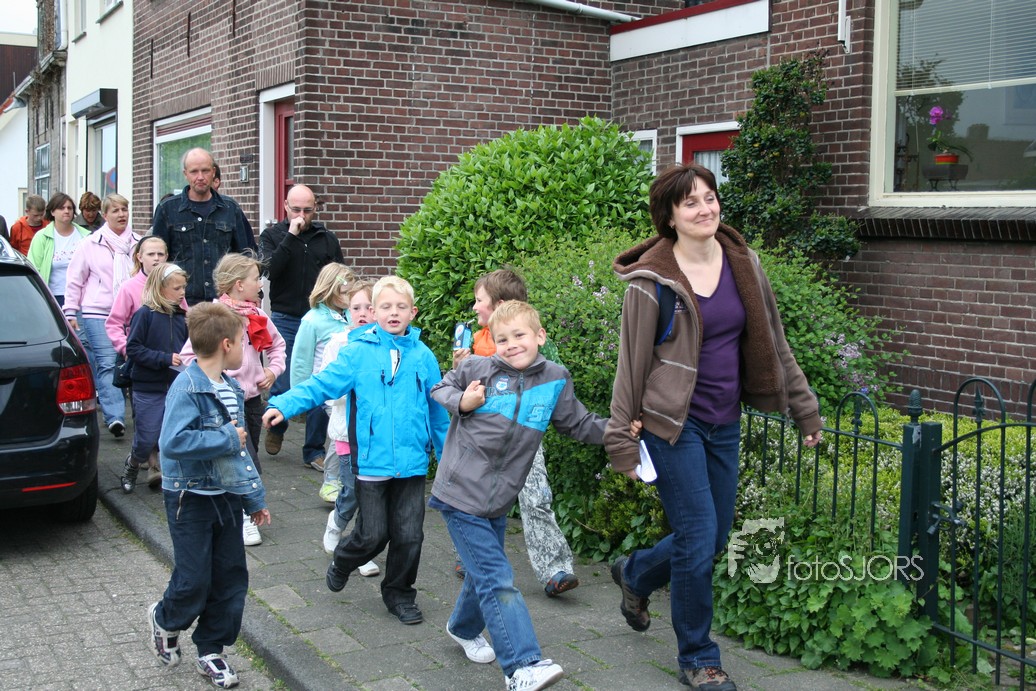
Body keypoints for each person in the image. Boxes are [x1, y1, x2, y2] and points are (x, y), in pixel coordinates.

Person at [604, 163, 823, 691]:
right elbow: (630, 365)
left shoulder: (743, 263)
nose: (705, 209)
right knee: (699, 537)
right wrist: (621, 442)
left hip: (726, 420)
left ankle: (635, 573)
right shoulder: (651, 282)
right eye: (691, 203)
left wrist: (804, 408)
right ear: (669, 217)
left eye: (710, 197)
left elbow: (774, 342)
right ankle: (698, 658)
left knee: (712, 535)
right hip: (672, 425)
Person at [430, 300, 609, 691]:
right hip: (460, 494)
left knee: (483, 572)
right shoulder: (477, 368)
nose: (511, 345)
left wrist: (620, 432)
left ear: (540, 336)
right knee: (497, 579)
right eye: (502, 339)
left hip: (499, 499)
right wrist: (462, 402)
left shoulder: (555, 379)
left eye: (519, 335)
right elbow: (441, 387)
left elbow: (577, 423)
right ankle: (521, 667)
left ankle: (462, 627)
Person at [262, 275, 449, 625]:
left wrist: (449, 457)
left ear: (413, 312)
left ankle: (399, 594)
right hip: (372, 462)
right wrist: (284, 405)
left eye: (401, 307)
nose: (394, 313)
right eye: (386, 307)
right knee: (372, 534)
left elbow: (437, 412)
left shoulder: (423, 356)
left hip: (411, 463)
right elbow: (321, 384)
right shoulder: (358, 352)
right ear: (374, 312)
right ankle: (344, 560)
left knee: (410, 535)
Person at [148, 302, 271, 689]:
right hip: (190, 498)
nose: (246, 349)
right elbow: (172, 442)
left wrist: (253, 500)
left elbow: (239, 456)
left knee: (231, 577)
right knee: (194, 578)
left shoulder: (231, 387)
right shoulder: (187, 388)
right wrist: (226, 437)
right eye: (243, 342)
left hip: (227, 497)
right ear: (225, 344)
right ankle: (165, 619)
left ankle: (211, 650)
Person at [450, 268, 581, 597]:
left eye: (479, 300)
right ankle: (472, 556)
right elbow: (459, 393)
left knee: (536, 498)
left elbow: (554, 384)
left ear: (500, 305)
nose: (474, 307)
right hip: (482, 444)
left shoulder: (533, 343)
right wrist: (460, 369)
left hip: (523, 438)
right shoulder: (477, 342)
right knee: (474, 499)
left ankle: (554, 569)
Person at [180, 252, 286, 547]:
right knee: (243, 457)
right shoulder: (215, 317)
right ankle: (245, 516)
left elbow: (278, 346)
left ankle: (235, 507)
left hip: (252, 400)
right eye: (256, 279)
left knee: (250, 455)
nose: (260, 284)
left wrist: (273, 371)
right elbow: (189, 356)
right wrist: (215, 379)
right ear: (239, 284)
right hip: (223, 403)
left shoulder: (258, 314)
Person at [258, 184, 344, 465]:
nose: (301, 215)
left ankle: (314, 450)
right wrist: (291, 236)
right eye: (296, 209)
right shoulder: (272, 236)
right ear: (285, 206)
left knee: (320, 382)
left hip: (319, 318)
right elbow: (270, 270)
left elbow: (339, 276)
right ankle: (277, 426)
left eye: (307, 210)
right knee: (284, 380)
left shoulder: (326, 238)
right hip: (286, 317)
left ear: (315, 208)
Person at [63, 193, 141, 438]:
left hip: (134, 313)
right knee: (107, 364)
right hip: (99, 312)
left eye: (124, 209)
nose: (121, 214)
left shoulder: (139, 244)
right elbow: (75, 279)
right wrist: (70, 311)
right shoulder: (90, 244)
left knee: (135, 362)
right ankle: (115, 417)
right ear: (105, 215)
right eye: (115, 210)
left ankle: (142, 416)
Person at [318, 278, 380, 578]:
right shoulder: (338, 344)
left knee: (371, 493)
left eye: (369, 307)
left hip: (376, 435)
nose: (363, 313)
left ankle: (360, 549)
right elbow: (326, 387)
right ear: (347, 312)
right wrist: (353, 388)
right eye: (356, 308)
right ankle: (337, 522)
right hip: (346, 433)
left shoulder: (385, 343)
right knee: (353, 490)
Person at [151, 148, 256, 306]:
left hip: (224, 303)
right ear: (185, 174)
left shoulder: (230, 209)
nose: (200, 177)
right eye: (194, 171)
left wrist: (252, 294)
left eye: (205, 171)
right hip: (182, 303)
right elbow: (158, 259)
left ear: (213, 172)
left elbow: (246, 255)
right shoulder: (167, 209)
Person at [120, 263, 188, 493]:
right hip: (148, 387)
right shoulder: (144, 315)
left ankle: (172, 476)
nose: (182, 293)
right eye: (177, 288)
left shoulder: (183, 317)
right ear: (160, 288)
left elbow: (189, 349)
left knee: (173, 436)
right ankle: (133, 462)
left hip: (176, 387)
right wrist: (164, 358)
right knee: (146, 437)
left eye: (184, 287)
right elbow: (133, 348)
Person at [289, 262, 356, 486]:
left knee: (340, 426)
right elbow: (301, 359)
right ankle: (327, 471)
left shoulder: (352, 314)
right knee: (334, 426)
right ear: (329, 290)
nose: (349, 298)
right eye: (345, 293)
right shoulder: (312, 320)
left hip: (345, 384)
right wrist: (299, 394)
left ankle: (340, 470)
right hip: (322, 384)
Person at [106, 236, 178, 360]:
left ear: (166, 257)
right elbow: (114, 323)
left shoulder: (174, 285)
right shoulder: (128, 287)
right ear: (140, 257)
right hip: (140, 355)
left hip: (170, 356)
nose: (156, 258)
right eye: (151, 254)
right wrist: (126, 349)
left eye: (160, 254)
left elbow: (184, 319)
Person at [26, 192, 90, 307]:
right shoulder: (42, 237)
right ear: (52, 212)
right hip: (52, 297)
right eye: (61, 208)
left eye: (69, 208)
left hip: (82, 297)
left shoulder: (85, 236)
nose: (66, 211)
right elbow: (33, 269)